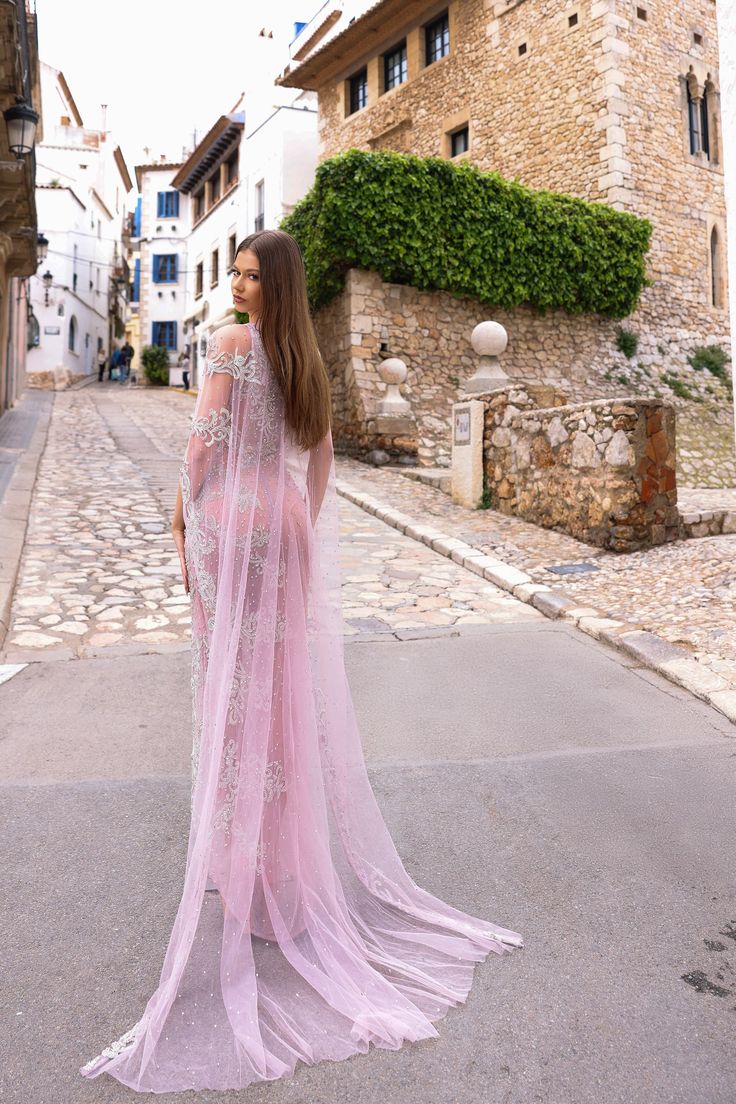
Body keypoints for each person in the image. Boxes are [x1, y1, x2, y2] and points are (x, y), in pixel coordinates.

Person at [80, 229, 522, 1094]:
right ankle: (277, 866)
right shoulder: (304, 360)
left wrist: (183, 519)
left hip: (231, 524)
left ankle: (239, 866)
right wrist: (296, 527)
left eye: (250, 275)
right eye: (236, 273)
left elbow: (202, 444)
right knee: (277, 696)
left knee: (234, 696)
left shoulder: (232, 346)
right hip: (282, 526)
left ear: (269, 285)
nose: (240, 286)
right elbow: (316, 466)